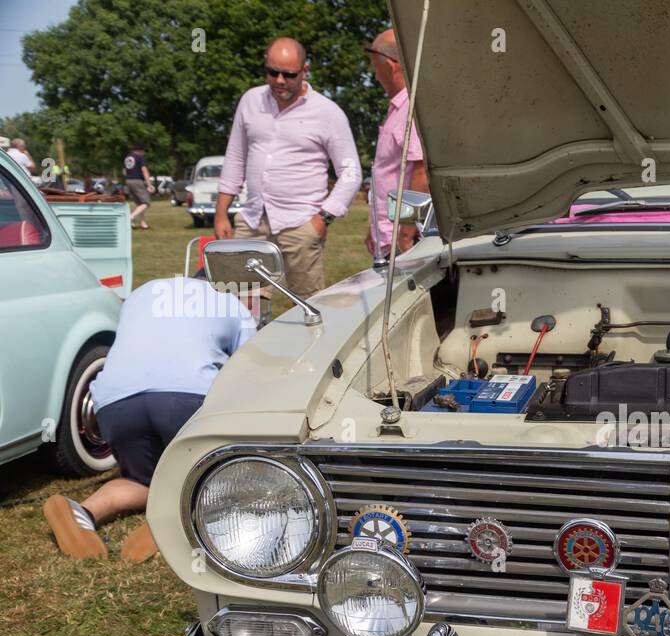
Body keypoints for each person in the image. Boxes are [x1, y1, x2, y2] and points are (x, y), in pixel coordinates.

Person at [42, 276, 256, 561]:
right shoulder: (233, 302)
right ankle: (178, 516)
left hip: (113, 402)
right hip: (186, 397)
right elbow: (250, 371)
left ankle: (82, 511)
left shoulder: (142, 294)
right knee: (216, 477)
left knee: (144, 482)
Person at [215, 37, 362, 314]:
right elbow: (235, 156)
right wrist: (221, 211)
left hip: (301, 225)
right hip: (252, 219)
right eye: (273, 72)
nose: (280, 80)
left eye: (289, 74)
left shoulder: (328, 112)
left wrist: (323, 219)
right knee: (242, 305)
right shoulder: (250, 101)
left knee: (308, 306)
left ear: (304, 70)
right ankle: (251, 355)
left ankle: (311, 357)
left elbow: (351, 172)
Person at [366, 28, 430, 261]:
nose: (374, 76)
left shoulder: (410, 109)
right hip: (389, 236)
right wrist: (374, 228)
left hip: (403, 243)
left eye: (375, 67)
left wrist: (406, 231)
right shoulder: (399, 108)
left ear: (390, 66)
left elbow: (422, 172)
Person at [123, 144, 154, 229]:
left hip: (128, 180)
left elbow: (124, 171)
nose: (144, 153)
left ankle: (143, 223)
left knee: (139, 204)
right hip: (137, 180)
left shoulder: (127, 158)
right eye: (144, 151)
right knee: (146, 203)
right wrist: (149, 184)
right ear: (140, 150)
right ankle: (130, 217)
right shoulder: (140, 157)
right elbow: (144, 170)